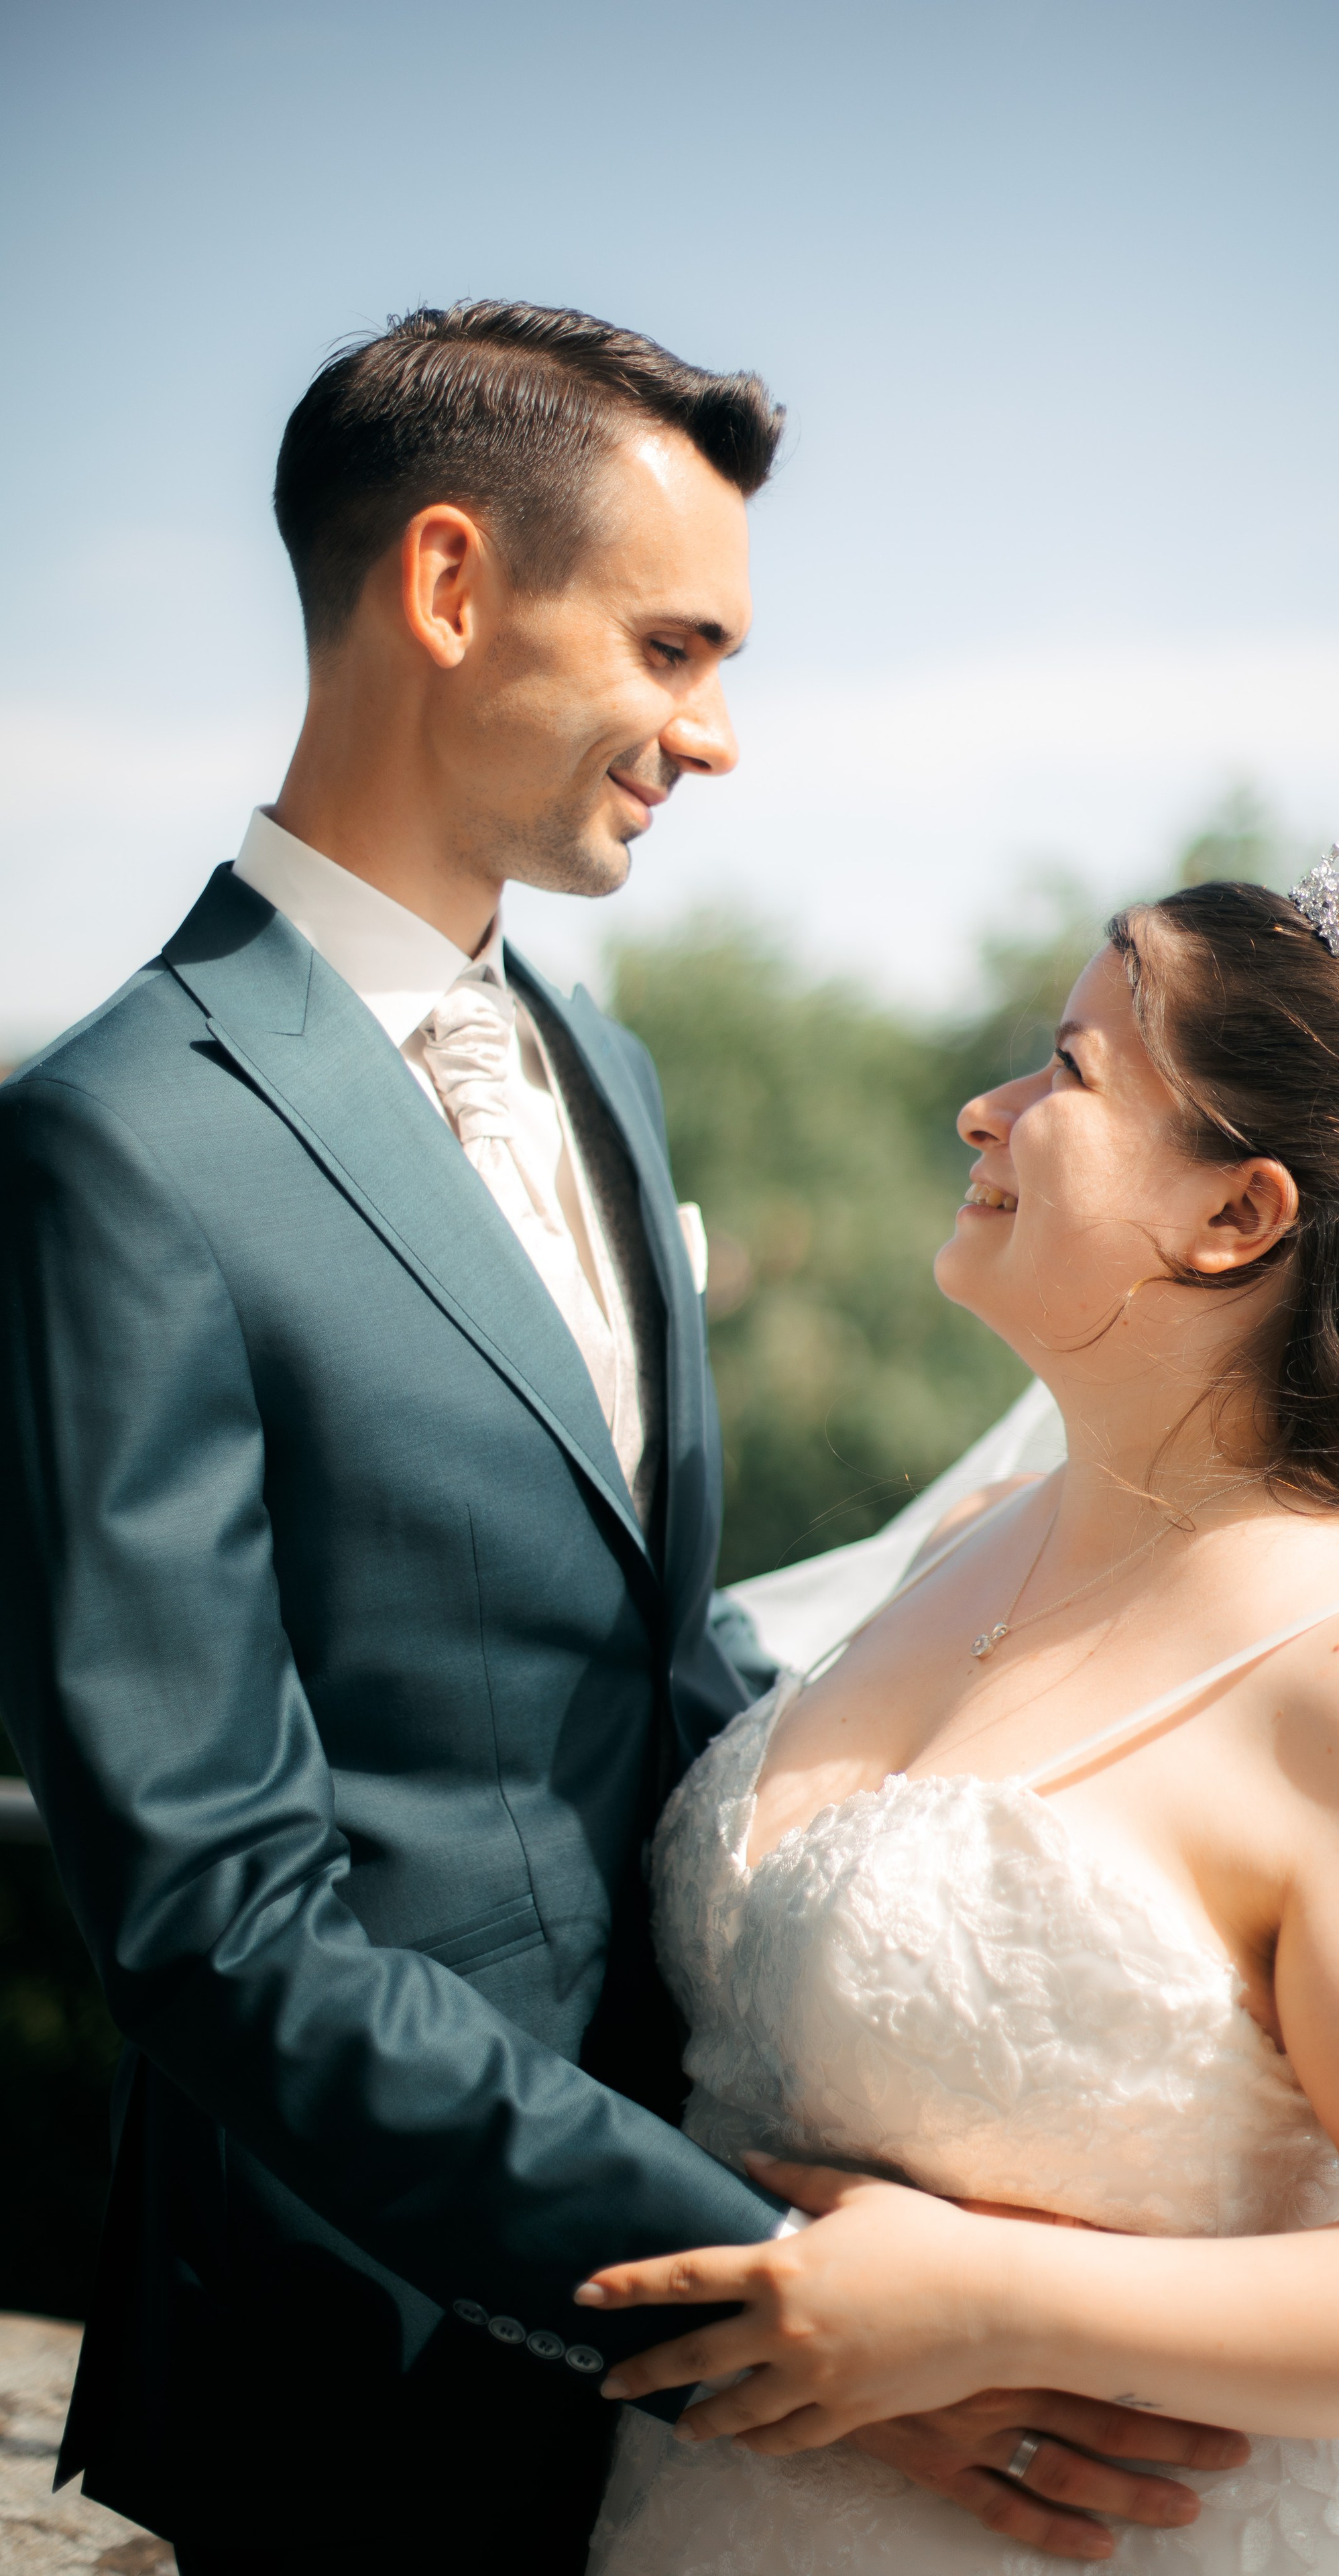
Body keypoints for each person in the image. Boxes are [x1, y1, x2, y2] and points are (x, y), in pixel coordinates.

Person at [0, 300, 1237, 2571]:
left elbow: (643, 1670)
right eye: (675, 648)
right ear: (448, 584)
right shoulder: (118, 1146)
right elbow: (216, 1925)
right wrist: (767, 2292)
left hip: (728, 2316)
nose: (719, 735)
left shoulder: (604, 1066)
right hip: (375, 2372)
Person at [578, 874, 1339, 2573]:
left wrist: (995, 2302)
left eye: (1066, 1069)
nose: (984, 1107)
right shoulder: (962, 1545)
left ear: (1234, 1213)